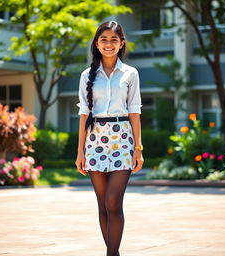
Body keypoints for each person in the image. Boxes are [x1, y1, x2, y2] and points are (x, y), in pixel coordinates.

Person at [75, 20, 144, 256]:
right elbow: (84, 114)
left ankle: (111, 254)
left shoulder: (130, 73)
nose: (108, 44)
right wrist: (80, 152)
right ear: (96, 43)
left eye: (114, 39)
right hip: (95, 141)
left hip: (122, 140)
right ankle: (114, 253)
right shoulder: (86, 75)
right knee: (103, 204)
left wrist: (138, 148)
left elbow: (134, 111)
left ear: (121, 43)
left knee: (113, 202)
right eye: (103, 39)